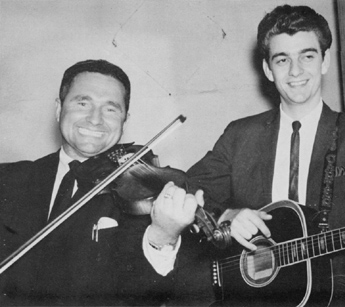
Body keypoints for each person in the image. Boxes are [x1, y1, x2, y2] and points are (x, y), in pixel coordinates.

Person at [187, 5, 345, 306]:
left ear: (325, 60)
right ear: (267, 69)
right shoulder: (240, 135)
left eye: (307, 55)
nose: (295, 71)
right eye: (282, 59)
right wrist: (227, 216)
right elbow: (188, 188)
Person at [0, 59, 209, 306]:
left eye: (110, 109)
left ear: (125, 119)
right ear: (59, 109)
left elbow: (143, 295)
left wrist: (162, 236)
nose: (95, 120)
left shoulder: (144, 193)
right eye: (82, 103)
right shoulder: (9, 180)